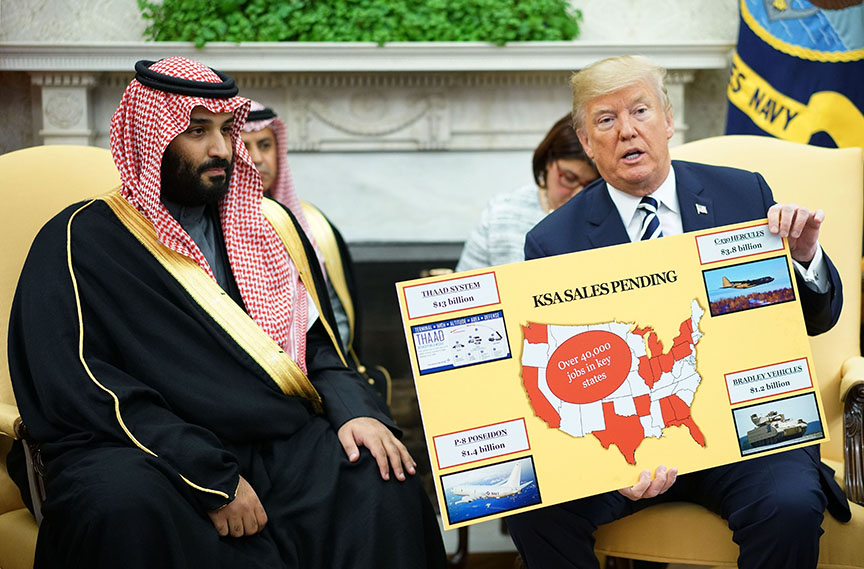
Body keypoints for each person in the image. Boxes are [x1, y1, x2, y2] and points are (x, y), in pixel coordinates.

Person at [6, 57, 445, 569]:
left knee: (381, 476)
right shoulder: (81, 239)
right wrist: (207, 475)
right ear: (151, 136)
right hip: (147, 451)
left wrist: (358, 413)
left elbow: (318, 348)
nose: (222, 150)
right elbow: (86, 389)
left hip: (273, 438)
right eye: (197, 131)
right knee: (120, 505)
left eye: (225, 129)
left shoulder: (263, 228)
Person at [505, 55, 851, 569]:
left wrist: (802, 258)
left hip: (742, 434)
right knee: (532, 514)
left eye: (640, 111)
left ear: (668, 121)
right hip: (627, 448)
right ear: (585, 141)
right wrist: (602, 462)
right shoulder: (555, 241)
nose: (627, 132)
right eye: (606, 120)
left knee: (790, 505)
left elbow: (817, 318)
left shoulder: (744, 194)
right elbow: (557, 381)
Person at [241, 101, 390, 403]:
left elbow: (337, 323)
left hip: (321, 377)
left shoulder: (312, 225)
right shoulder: (210, 229)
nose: (257, 159)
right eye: (245, 146)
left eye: (265, 145)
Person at [455, 113, 599, 272]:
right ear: (548, 162)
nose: (577, 194)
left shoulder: (608, 217)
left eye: (591, 185)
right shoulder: (499, 215)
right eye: (569, 179)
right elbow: (467, 290)